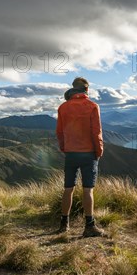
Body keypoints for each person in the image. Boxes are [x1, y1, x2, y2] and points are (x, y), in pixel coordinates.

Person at [55, 77, 105, 237]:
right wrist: (99, 151)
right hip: (88, 154)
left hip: (71, 153)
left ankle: (64, 224)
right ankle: (89, 226)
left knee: (68, 189)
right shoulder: (92, 106)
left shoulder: (63, 107)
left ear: (73, 89)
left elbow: (60, 132)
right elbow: (96, 132)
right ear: (86, 90)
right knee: (87, 190)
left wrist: (65, 148)